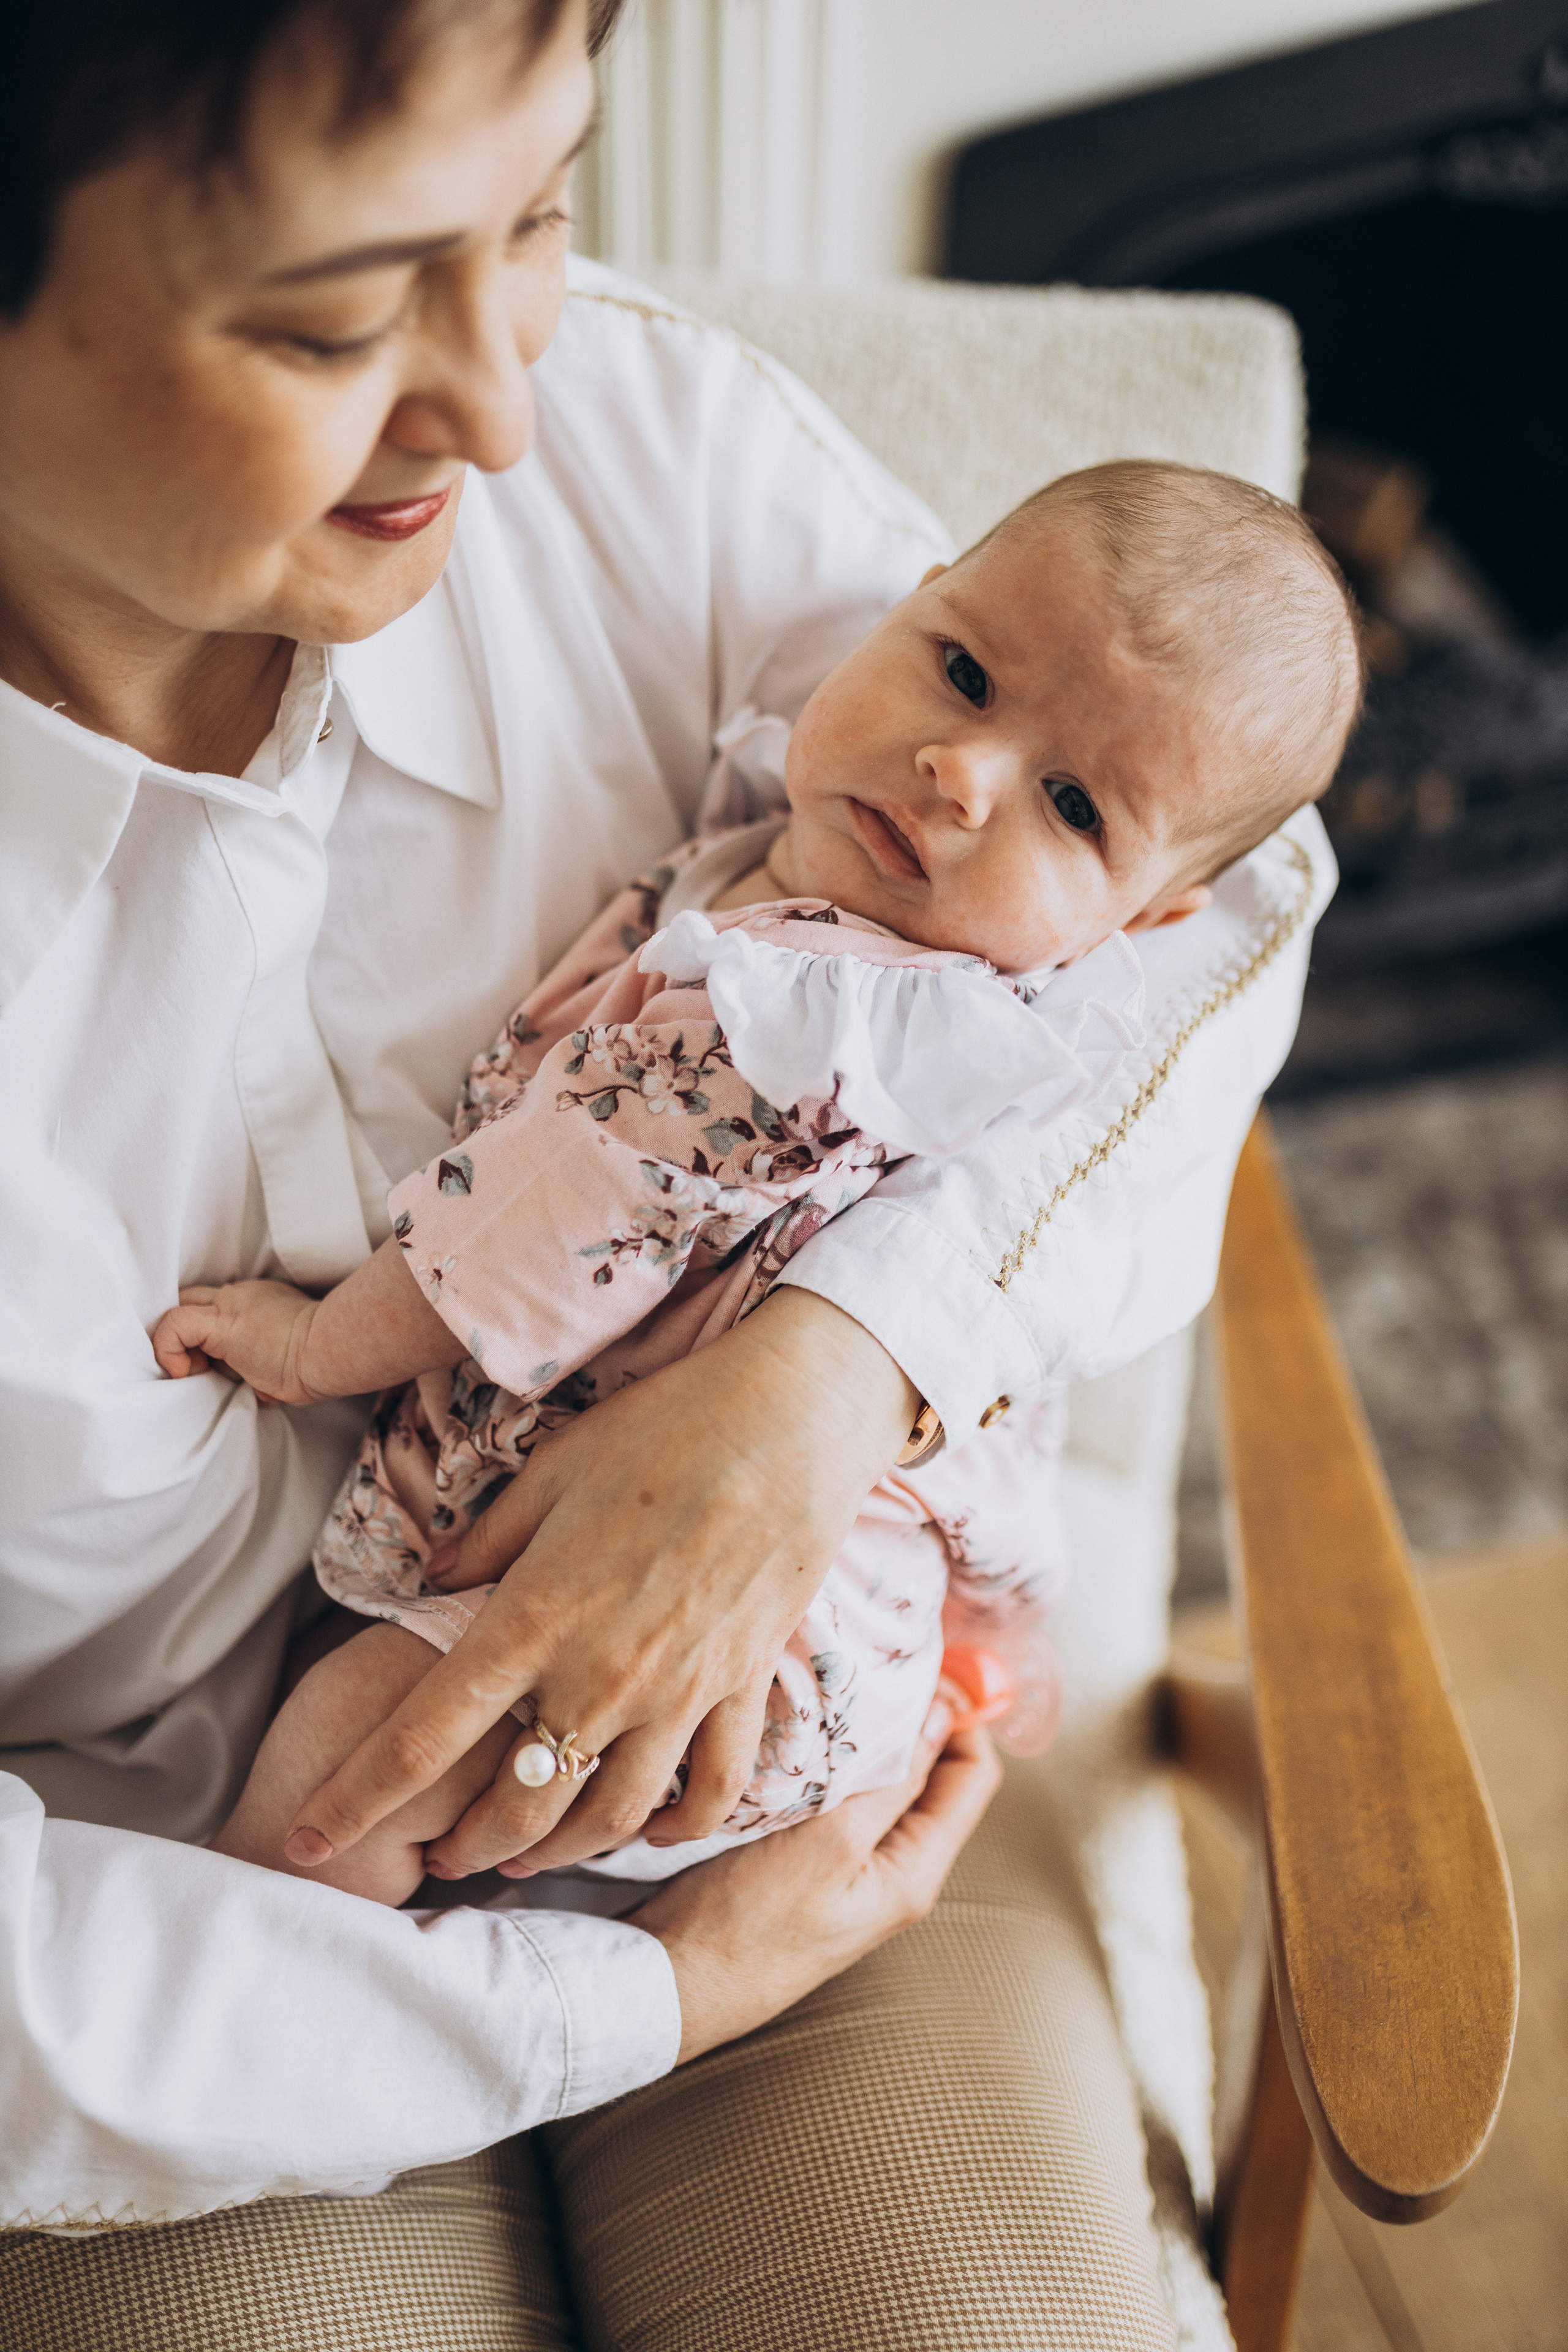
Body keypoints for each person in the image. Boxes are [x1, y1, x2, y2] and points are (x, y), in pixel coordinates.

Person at [0, 0, 1334, 2340]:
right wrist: (634, 2001)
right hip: (186, 1954)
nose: (500, 409)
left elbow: (1213, 907)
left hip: (804, 1795)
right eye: (334, 321)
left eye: (540, 213)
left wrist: (833, 1371)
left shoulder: (636, 448)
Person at [148, 461, 1360, 1906]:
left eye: (1071, 806)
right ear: (907, 603)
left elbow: (537, 1233)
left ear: (1147, 918)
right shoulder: (837, 914)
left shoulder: (808, 1013)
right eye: (963, 673)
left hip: (770, 1626)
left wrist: (311, 1347)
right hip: (816, 1617)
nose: (960, 776)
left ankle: (255, 1978)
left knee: (335, 1771)